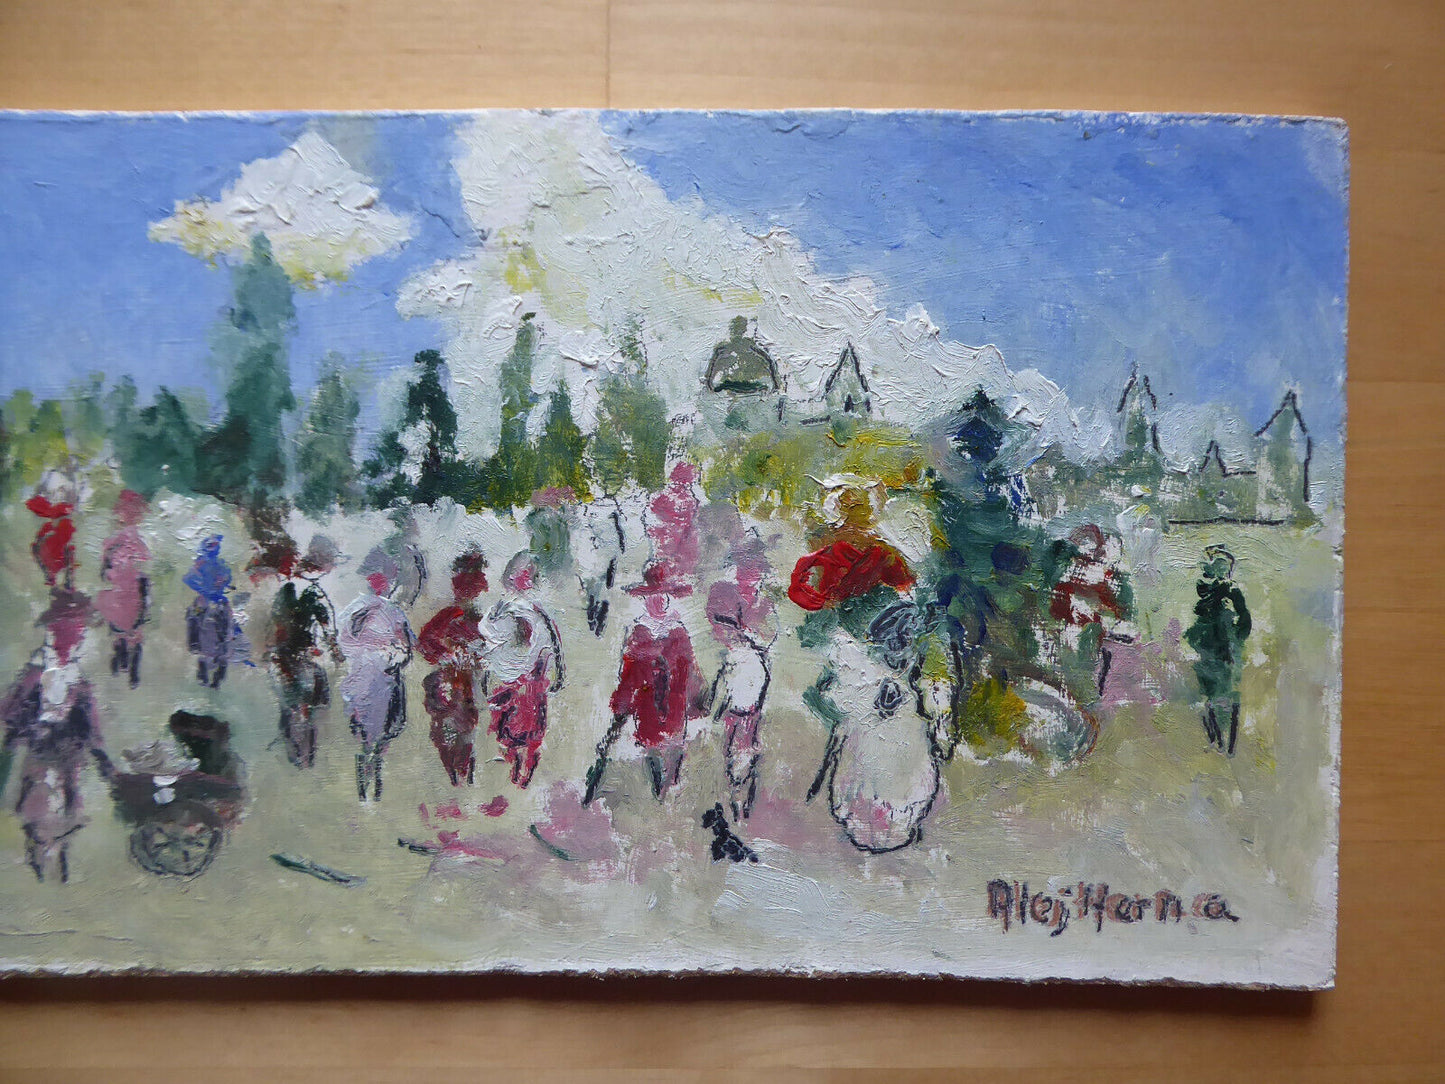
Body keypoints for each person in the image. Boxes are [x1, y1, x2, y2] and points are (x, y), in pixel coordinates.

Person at [584, 562, 706, 805]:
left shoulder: (679, 633)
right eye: (652, 597)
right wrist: (622, 703)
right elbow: (629, 676)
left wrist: (695, 700)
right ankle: (658, 784)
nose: (658, 602)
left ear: (669, 598)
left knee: (673, 743)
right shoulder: (639, 633)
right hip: (646, 702)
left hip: (674, 701)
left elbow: (690, 670)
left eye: (663, 596)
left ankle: (668, 787)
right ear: (645, 599)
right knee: (651, 744)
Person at [478, 553, 564, 788]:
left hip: (530, 683)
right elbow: (489, 644)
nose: (519, 579)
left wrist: (555, 673)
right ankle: (515, 765)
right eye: (516, 574)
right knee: (508, 729)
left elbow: (552, 646)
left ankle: (526, 771)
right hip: (506, 681)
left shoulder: (538, 612)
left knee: (531, 731)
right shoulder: (498, 610)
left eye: (525, 574)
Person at [337, 548, 414, 801]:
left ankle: (373, 772)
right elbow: (346, 643)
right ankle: (367, 777)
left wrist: (396, 654)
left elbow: (407, 648)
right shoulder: (359, 610)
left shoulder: (393, 612)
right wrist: (378, 652)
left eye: (387, 578)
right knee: (370, 733)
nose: (384, 583)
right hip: (365, 681)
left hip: (384, 681)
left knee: (384, 732)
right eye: (380, 577)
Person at [267, 536, 341, 769]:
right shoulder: (315, 592)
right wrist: (336, 653)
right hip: (301, 660)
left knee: (287, 707)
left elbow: (275, 623)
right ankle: (305, 759)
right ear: (324, 562)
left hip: (279, 659)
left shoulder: (286, 585)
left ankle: (292, 754)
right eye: (331, 560)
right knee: (308, 709)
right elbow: (329, 631)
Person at [418, 548, 488, 786]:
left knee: (467, 729)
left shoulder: (481, 620)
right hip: (449, 683)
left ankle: (463, 771)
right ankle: (455, 772)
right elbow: (425, 643)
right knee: (446, 731)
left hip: (469, 684)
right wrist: (447, 656)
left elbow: (489, 650)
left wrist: (478, 657)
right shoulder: (450, 614)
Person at [1184, 546, 1252, 755]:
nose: (1220, 570)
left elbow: (1245, 620)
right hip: (1208, 652)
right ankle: (1217, 740)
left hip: (1228, 652)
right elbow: (1199, 622)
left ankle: (1228, 745)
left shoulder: (1232, 591)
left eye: (1223, 566)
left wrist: (1234, 639)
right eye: (1216, 565)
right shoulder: (1205, 592)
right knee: (1210, 697)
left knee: (1229, 697)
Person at [96, 490, 151, 688]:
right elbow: (145, 557)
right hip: (131, 590)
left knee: (120, 628)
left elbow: (104, 570)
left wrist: (112, 570)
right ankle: (132, 672)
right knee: (135, 629)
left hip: (118, 591)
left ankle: (120, 663)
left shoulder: (114, 541)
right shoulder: (135, 539)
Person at [184, 535, 238, 688]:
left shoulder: (221, 564)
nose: (214, 548)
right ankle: (197, 651)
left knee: (226, 630)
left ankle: (218, 676)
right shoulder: (199, 563)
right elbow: (188, 579)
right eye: (211, 545)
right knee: (195, 619)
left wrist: (223, 581)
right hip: (205, 600)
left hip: (219, 600)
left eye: (216, 545)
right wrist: (202, 588)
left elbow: (228, 578)